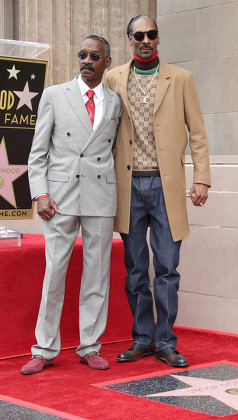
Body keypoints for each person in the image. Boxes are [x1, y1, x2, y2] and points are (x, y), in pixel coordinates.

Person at [105, 15, 211, 368]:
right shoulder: (113, 77)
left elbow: (197, 132)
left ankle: (166, 342)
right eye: (139, 35)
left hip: (167, 186)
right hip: (127, 186)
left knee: (167, 267)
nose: (145, 40)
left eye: (151, 34)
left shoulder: (181, 78)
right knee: (135, 268)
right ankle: (142, 340)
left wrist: (202, 178)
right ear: (129, 40)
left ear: (158, 38)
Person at [21, 35, 122, 375]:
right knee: (54, 274)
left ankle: (90, 345)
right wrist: (40, 194)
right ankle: (45, 348)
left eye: (95, 56)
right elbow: (37, 154)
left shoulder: (115, 102)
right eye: (82, 54)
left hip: (100, 196)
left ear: (107, 61)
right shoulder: (53, 95)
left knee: (97, 275)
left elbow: (115, 151)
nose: (87, 61)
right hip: (59, 199)